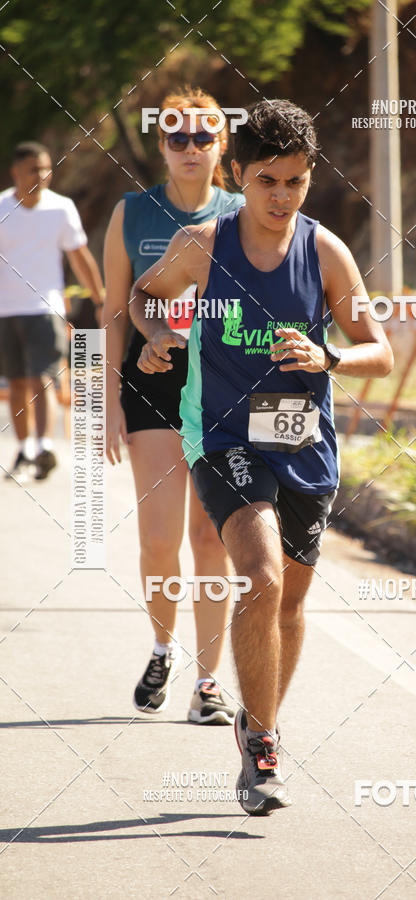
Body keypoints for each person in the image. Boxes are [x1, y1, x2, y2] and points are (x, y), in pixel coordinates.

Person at [130, 99, 393, 814]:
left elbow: (381, 351)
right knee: (261, 576)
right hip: (224, 438)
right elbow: (144, 296)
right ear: (239, 174)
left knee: (290, 604)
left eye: (297, 182)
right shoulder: (203, 244)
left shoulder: (326, 251)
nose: (282, 197)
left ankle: (257, 717)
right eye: (269, 180)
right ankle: (265, 745)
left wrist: (329, 353)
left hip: (304, 443)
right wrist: (156, 336)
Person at [103, 87, 245, 724]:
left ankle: (209, 683)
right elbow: (112, 313)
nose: (190, 148)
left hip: (224, 386)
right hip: (152, 382)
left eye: (203, 136)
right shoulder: (131, 213)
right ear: (160, 145)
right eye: (176, 136)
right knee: (161, 540)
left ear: (221, 144)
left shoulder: (246, 210)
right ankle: (164, 646)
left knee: (211, 541)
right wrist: (104, 400)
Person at [0, 141, 104, 482]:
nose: (42, 175)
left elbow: (80, 256)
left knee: (42, 377)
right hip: (6, 311)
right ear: (16, 172)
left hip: (45, 308)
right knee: (16, 383)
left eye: (46, 168)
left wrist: (100, 299)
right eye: (34, 169)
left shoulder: (61, 208)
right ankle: (25, 449)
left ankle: (44, 446)